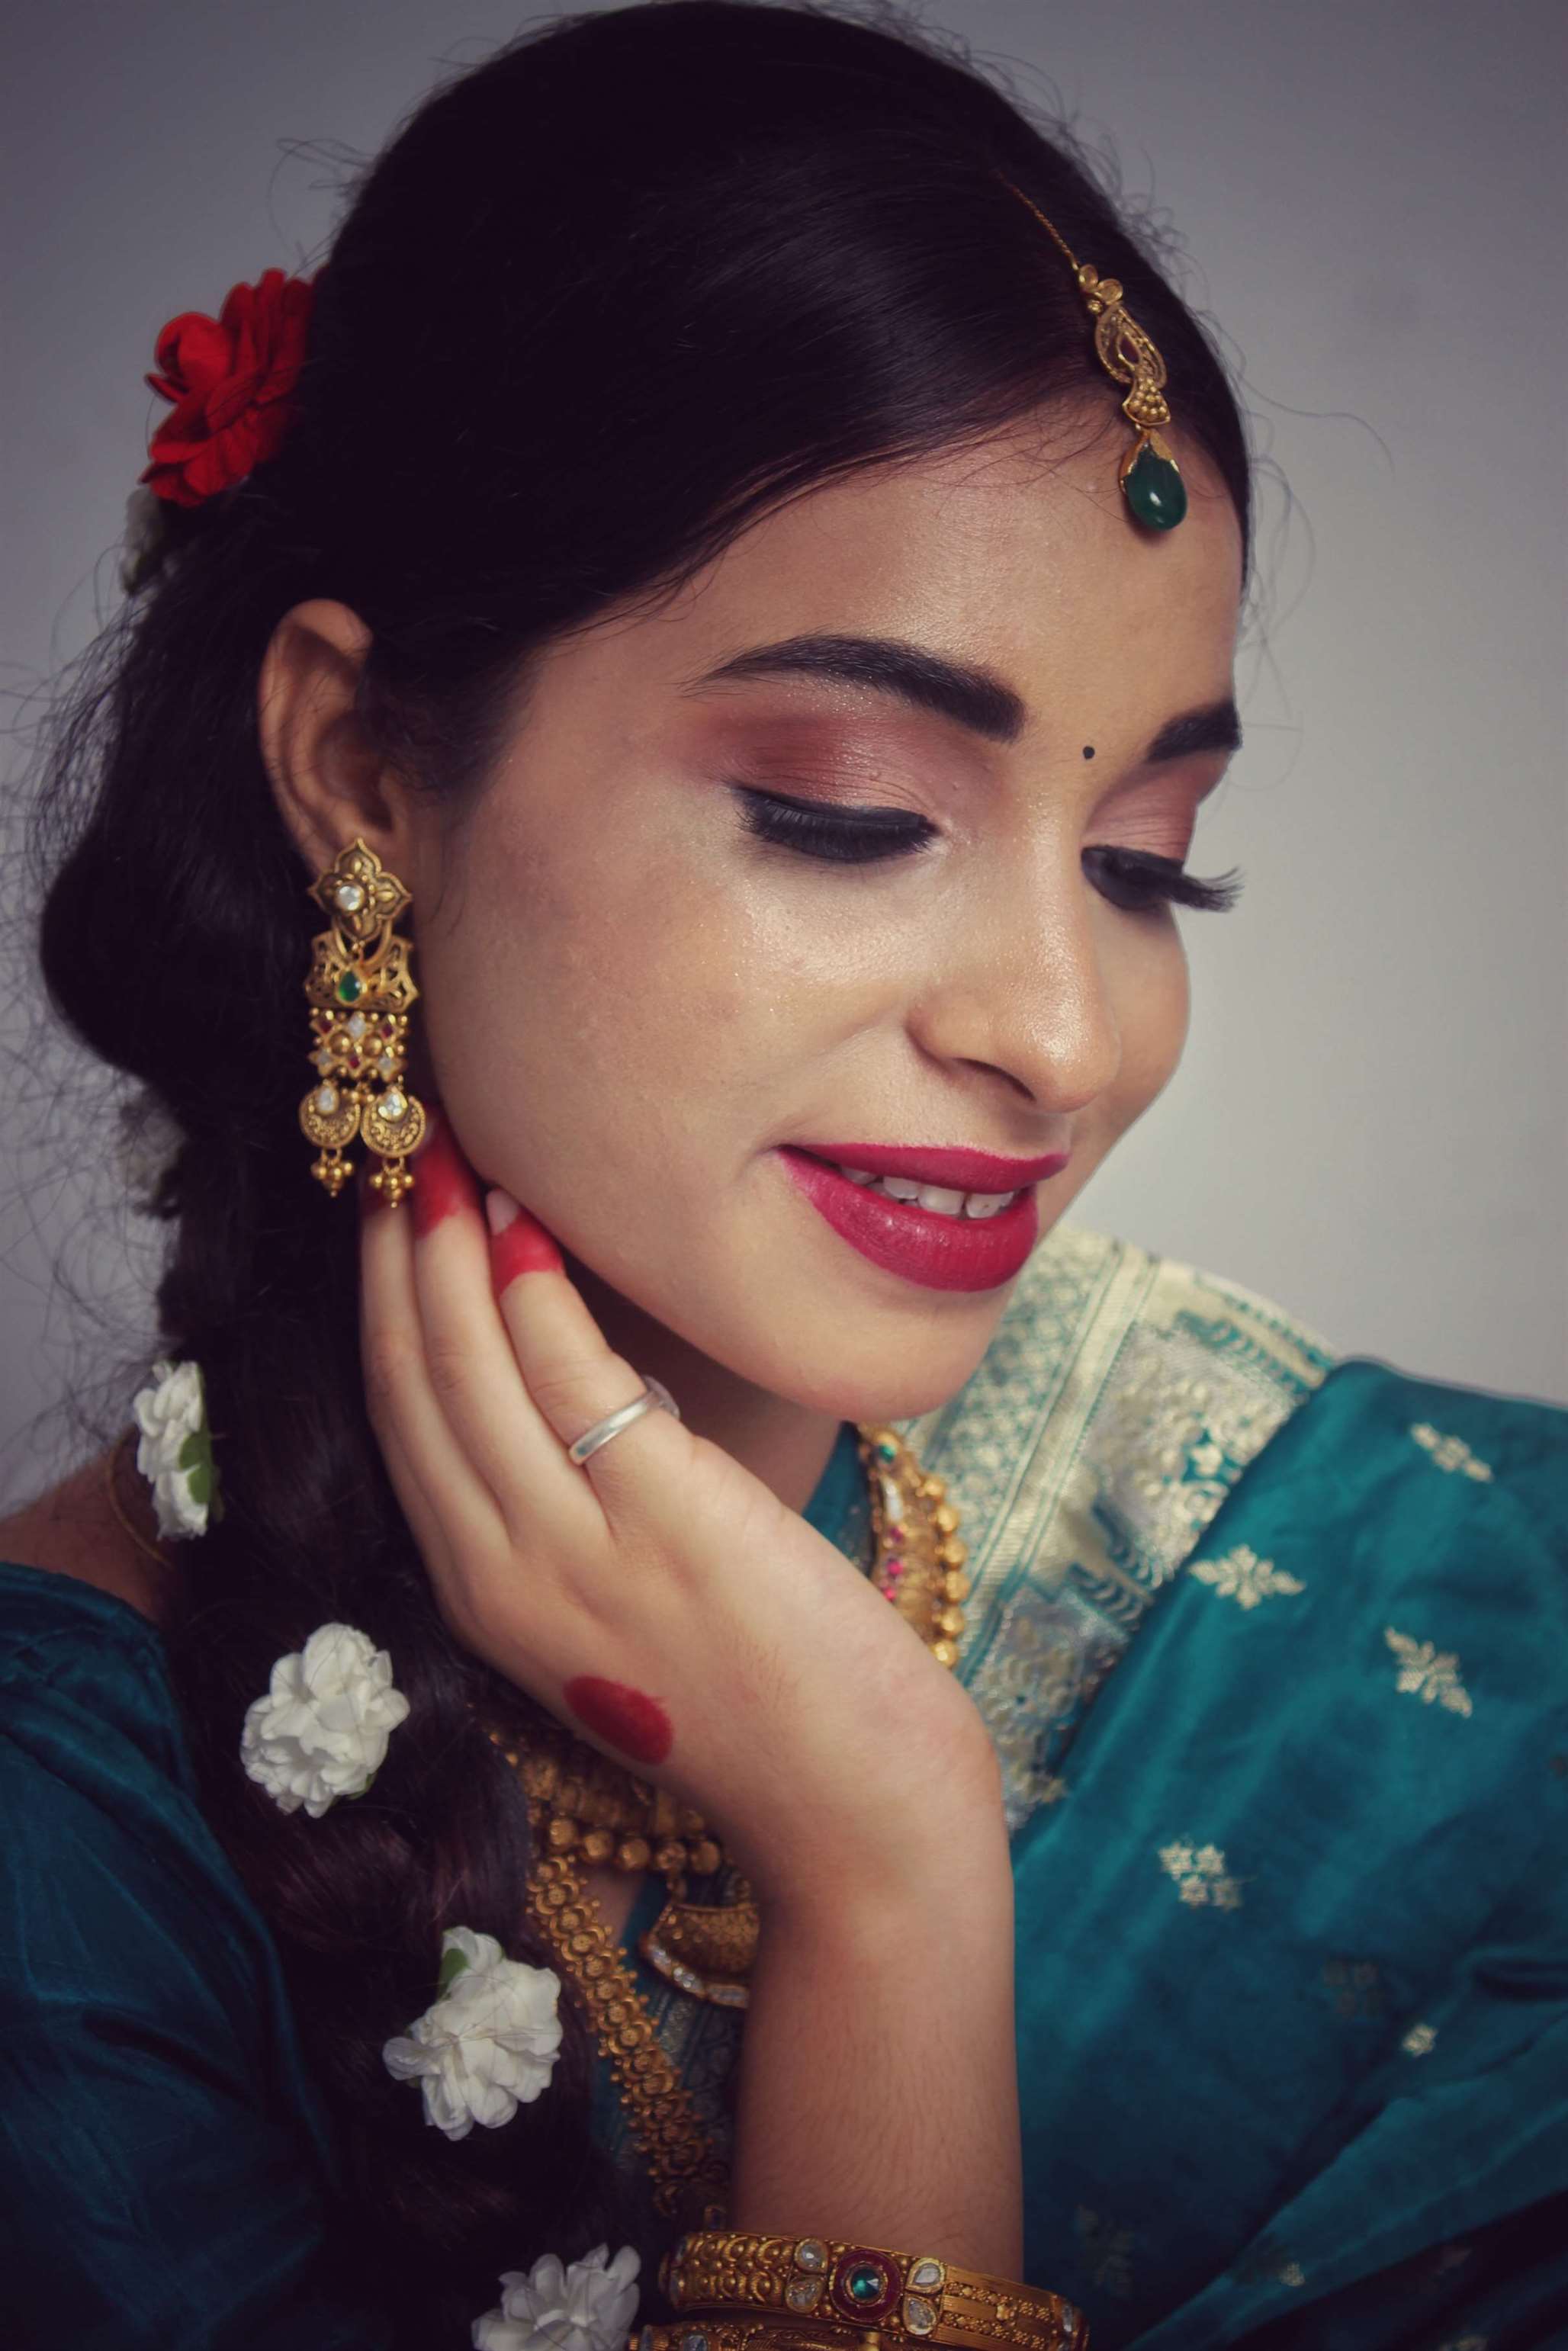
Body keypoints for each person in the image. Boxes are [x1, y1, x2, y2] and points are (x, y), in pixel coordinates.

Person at [1, 3, 1563, 2346]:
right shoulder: (63, 1868)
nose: (1065, 1032)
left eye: (1150, 860)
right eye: (852, 814)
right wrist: (883, 1881)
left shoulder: (1371, 1564)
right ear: (360, 774)